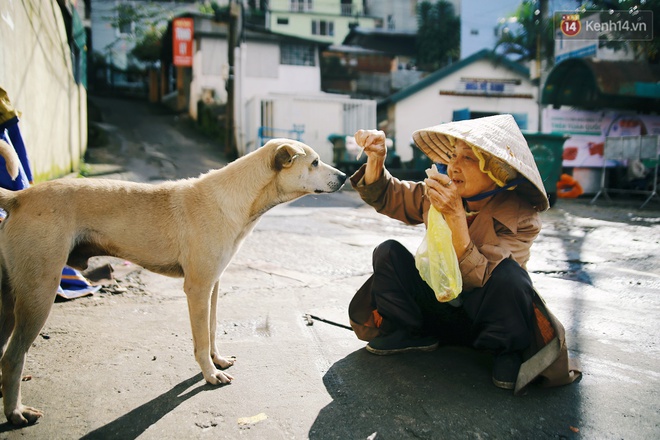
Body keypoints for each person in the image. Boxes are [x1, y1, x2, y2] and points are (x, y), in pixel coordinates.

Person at [348, 115, 580, 393]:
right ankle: (410, 332)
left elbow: (482, 278)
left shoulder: (521, 217)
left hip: (483, 319)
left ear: (497, 170)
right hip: (439, 304)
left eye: (468, 159)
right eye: (453, 156)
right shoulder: (439, 191)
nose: (453, 166)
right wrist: (376, 159)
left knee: (510, 277)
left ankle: (506, 353)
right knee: (388, 252)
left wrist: (456, 216)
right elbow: (389, 195)